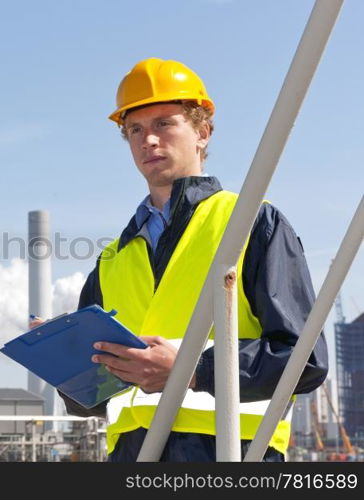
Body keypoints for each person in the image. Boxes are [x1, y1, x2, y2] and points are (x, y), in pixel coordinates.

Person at [53, 57, 328, 462]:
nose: (148, 140)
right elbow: (87, 402)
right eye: (135, 129)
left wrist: (194, 369)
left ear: (202, 132)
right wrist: (63, 363)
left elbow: (305, 359)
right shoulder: (114, 258)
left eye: (164, 123)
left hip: (232, 454)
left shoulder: (250, 222)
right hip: (133, 456)